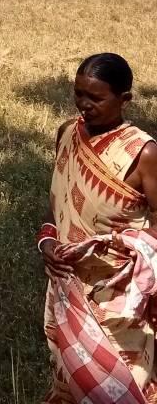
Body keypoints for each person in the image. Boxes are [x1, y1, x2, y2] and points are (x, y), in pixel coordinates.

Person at [39, 53, 157, 402]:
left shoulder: (142, 154)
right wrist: (47, 243)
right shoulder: (67, 134)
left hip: (120, 299)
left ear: (125, 99)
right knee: (70, 382)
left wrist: (136, 247)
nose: (84, 104)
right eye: (79, 94)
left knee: (126, 385)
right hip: (67, 288)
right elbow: (59, 206)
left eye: (96, 97)